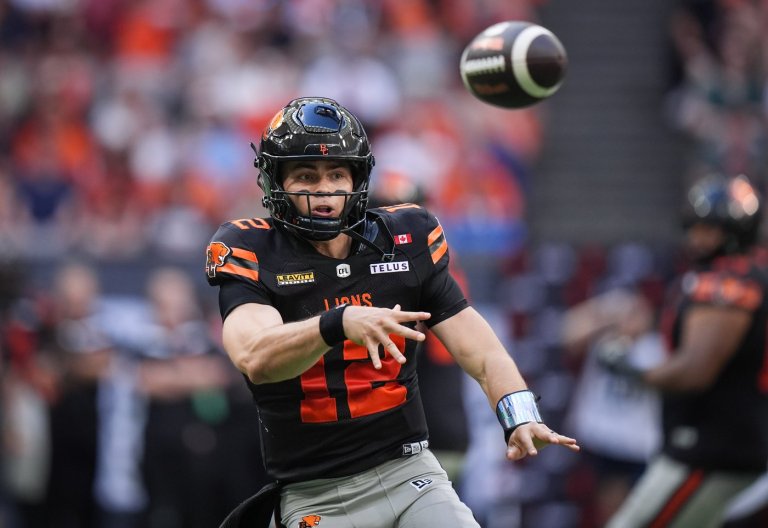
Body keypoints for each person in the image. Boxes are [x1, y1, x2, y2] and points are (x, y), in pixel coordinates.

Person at [204, 96, 579, 528]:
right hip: (316, 494)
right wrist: (337, 323)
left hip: (410, 476)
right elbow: (255, 355)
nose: (324, 190)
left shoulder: (404, 239)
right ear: (276, 183)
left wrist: (518, 414)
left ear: (358, 178)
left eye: (336, 174)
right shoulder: (251, 249)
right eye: (306, 176)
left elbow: (482, 351)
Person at [604, 173, 768, 528]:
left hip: (712, 450)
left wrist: (632, 371)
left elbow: (695, 371)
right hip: (724, 444)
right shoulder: (740, 276)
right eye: (694, 228)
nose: (696, 238)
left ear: (735, 230)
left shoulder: (727, 285)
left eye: (708, 229)